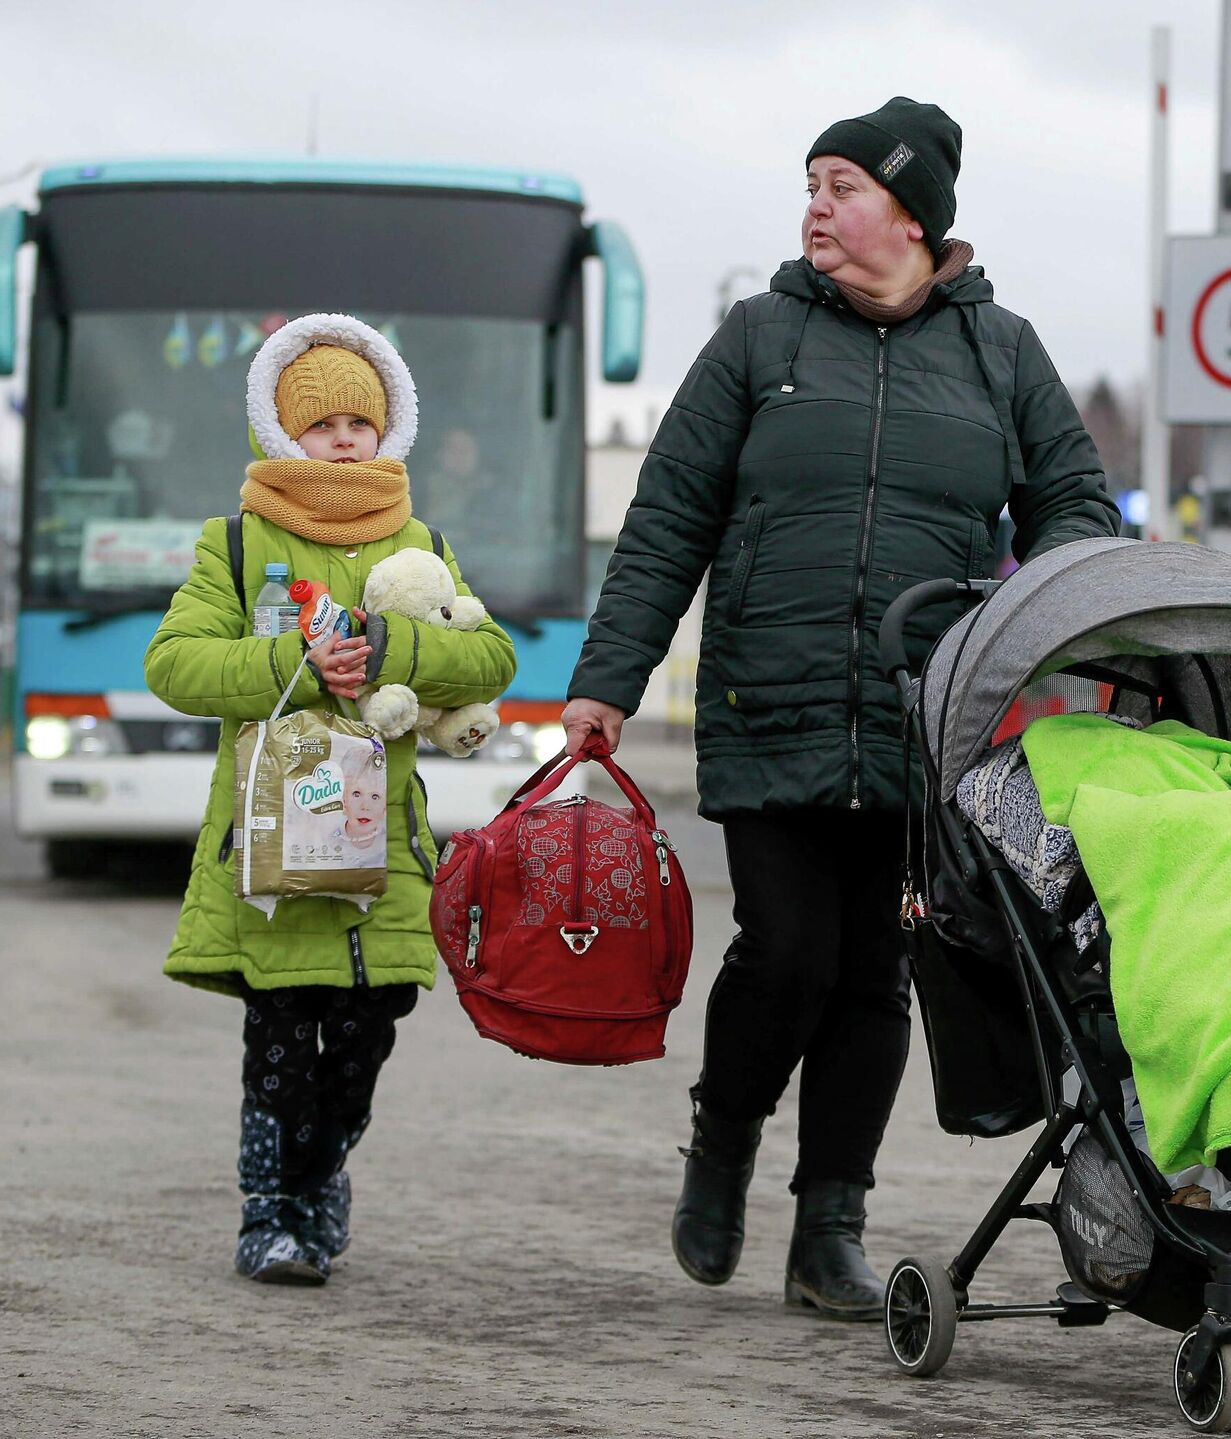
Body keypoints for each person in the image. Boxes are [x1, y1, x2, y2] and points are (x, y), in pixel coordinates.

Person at [563, 98, 1120, 1320]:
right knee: (787, 948)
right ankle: (721, 1147)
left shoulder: (1000, 352)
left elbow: (1077, 504)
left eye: (841, 185)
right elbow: (668, 520)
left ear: (912, 214)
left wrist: (1021, 620)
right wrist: (608, 680)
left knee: (878, 972)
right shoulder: (758, 338)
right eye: (810, 184)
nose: (815, 205)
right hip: (774, 689)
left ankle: (830, 1233)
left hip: (930, 716)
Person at [146, 313, 516, 1284]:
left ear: (389, 429)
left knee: (368, 1027)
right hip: (272, 845)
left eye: (362, 419)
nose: (344, 436)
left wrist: (392, 652)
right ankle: (270, 1213)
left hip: (382, 848)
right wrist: (297, 662)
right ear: (281, 428)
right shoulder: (234, 543)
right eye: (322, 421)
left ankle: (320, 1173)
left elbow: (491, 654)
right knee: (279, 1031)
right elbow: (174, 664)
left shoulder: (421, 539)